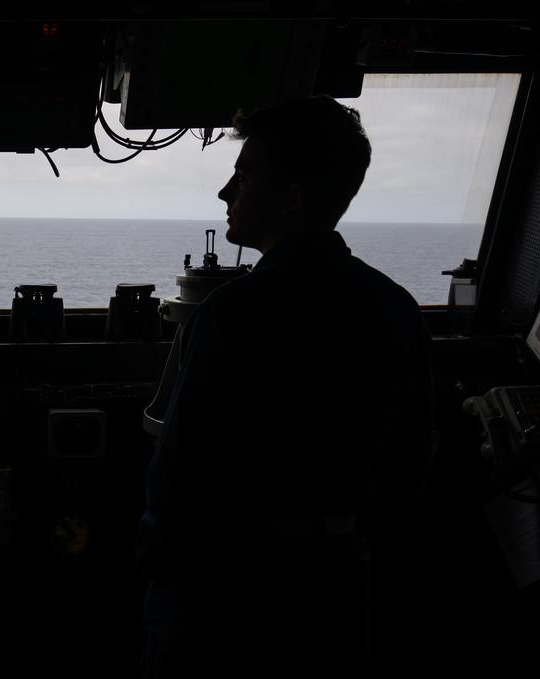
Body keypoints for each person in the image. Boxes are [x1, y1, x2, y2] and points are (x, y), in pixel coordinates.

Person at [137, 97, 434, 678]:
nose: (226, 193)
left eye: (244, 178)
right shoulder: (396, 311)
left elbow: (177, 480)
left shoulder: (231, 315)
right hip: (335, 601)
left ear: (292, 197)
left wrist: (156, 565)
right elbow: (410, 469)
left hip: (220, 610)